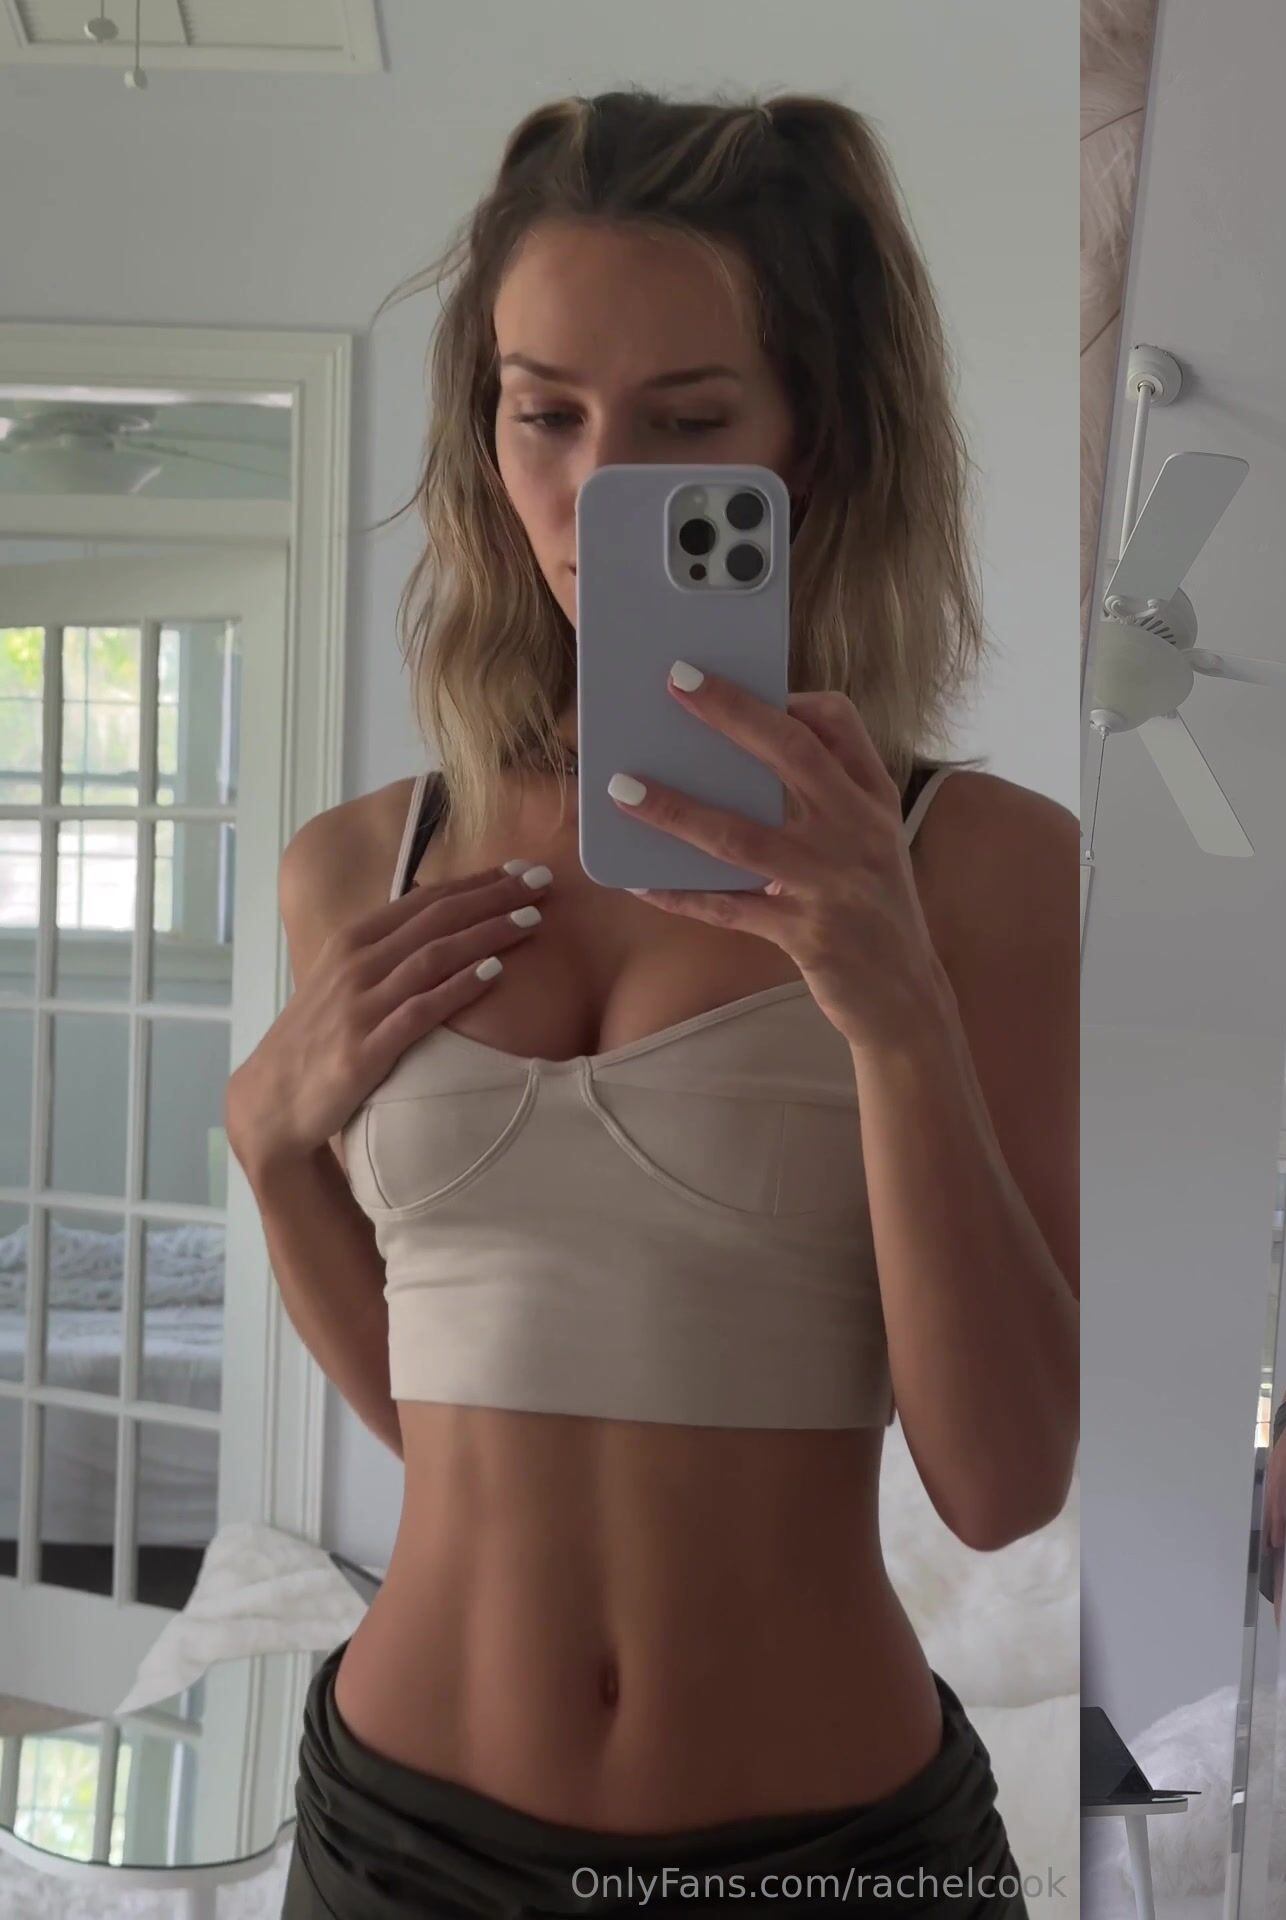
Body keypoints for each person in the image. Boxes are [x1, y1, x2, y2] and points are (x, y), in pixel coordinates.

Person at [226, 90, 1079, 1917]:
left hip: (827, 1858)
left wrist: (896, 1011)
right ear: (484, 429)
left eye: (686, 423)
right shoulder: (355, 868)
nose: (596, 490)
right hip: (397, 1842)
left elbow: (1001, 1484)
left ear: (810, 442)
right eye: (545, 413)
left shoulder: (978, 867)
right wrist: (268, 1148)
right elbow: (450, 1419)